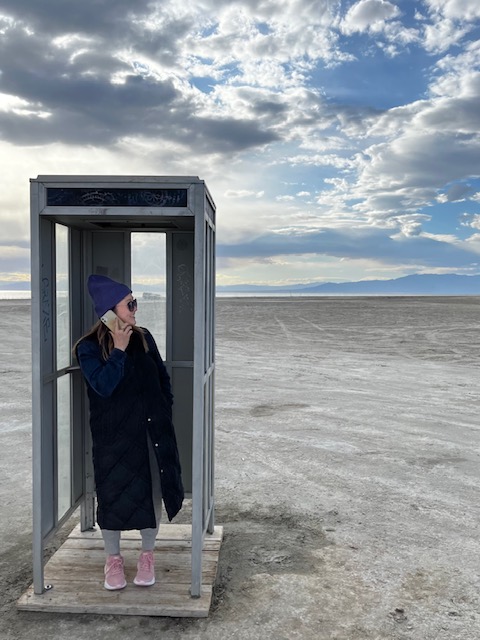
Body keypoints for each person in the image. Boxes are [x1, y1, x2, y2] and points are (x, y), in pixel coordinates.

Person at [74, 274, 184, 590]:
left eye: (135, 302)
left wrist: (164, 408)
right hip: (114, 439)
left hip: (151, 433)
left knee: (151, 496)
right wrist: (119, 350)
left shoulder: (144, 336)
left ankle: (147, 555)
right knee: (112, 497)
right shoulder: (88, 348)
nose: (135, 309)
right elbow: (103, 386)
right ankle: (113, 561)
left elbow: (162, 379)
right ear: (110, 310)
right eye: (129, 303)